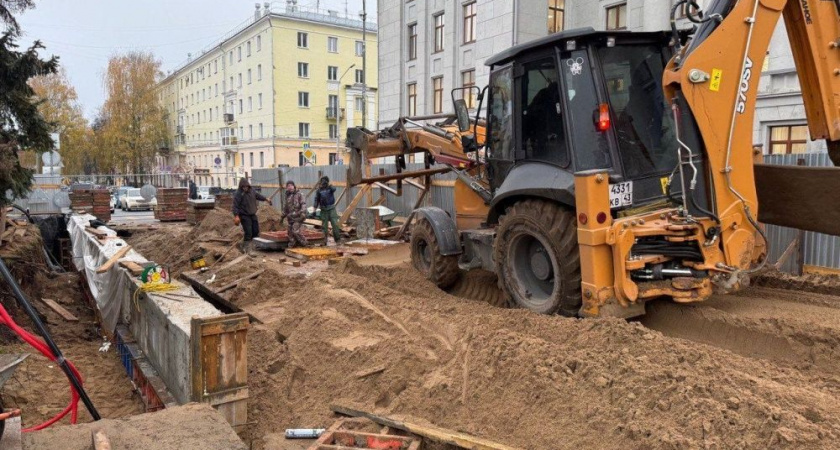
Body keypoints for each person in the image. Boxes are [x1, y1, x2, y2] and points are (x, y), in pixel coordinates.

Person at [232, 178, 272, 254]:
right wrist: (236, 215)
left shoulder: (252, 191)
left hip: (252, 214)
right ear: (241, 187)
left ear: (248, 186)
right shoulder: (238, 194)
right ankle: (247, 249)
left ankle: (253, 246)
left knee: (256, 231)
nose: (245, 188)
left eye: (246, 187)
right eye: (243, 187)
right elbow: (235, 206)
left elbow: (258, 196)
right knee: (248, 232)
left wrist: (265, 199)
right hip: (244, 215)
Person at [314, 176, 343, 244]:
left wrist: (329, 185)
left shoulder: (330, 188)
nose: (323, 183)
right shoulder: (319, 190)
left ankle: (338, 240)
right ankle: (324, 241)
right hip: (323, 210)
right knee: (324, 226)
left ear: (327, 182)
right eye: (322, 182)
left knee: (335, 224)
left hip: (331, 209)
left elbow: (334, 189)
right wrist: (314, 209)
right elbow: (316, 200)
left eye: (324, 181)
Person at [281, 181, 308, 248]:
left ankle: (305, 243)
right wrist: (282, 216)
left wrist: (302, 213)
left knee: (295, 231)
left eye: (291, 185)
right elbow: (285, 207)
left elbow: (303, 205)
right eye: (288, 186)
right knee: (289, 232)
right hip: (290, 217)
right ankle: (292, 244)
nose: (289, 187)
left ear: (294, 186)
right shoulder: (287, 196)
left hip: (298, 216)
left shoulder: (300, 194)